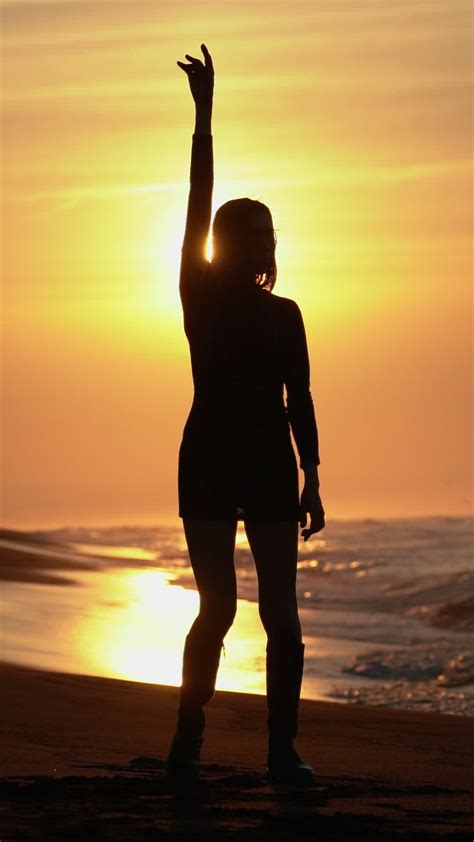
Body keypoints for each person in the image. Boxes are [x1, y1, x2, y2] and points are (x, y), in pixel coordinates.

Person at [166, 44, 325, 786]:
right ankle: (188, 734)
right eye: (253, 235)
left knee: (281, 616)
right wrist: (204, 116)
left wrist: (313, 476)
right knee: (218, 610)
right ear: (231, 245)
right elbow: (198, 200)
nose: (264, 245)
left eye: (270, 235)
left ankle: (280, 749)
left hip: (268, 462)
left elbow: (302, 396)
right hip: (208, 458)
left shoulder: (287, 314)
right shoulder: (197, 293)